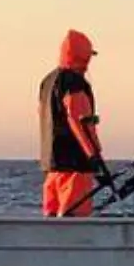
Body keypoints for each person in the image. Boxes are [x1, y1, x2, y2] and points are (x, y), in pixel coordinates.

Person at [38, 28, 112, 217]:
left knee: (52, 222)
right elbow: (80, 122)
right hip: (74, 167)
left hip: (52, 167)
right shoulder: (74, 83)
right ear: (83, 56)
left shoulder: (47, 82)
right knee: (74, 224)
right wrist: (94, 156)